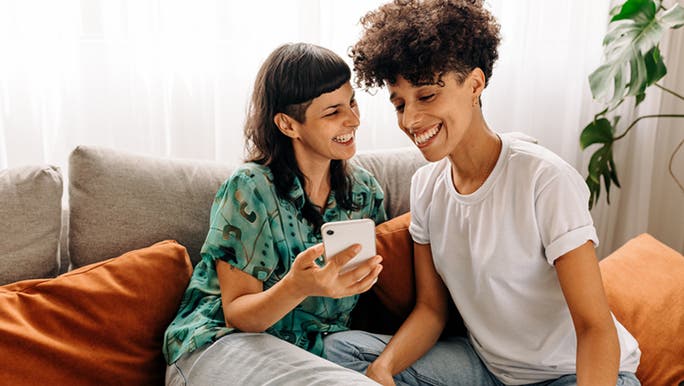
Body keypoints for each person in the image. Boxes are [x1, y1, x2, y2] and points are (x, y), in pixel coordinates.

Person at [324, 1, 642, 385]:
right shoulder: (426, 187)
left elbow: (594, 327)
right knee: (338, 352)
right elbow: (431, 310)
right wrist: (383, 369)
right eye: (400, 104)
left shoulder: (545, 180)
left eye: (426, 96)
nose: (410, 120)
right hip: (488, 369)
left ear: (474, 84)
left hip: (570, 372)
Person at [162, 42, 387, 385]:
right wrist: (297, 287)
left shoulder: (363, 192)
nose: (353, 119)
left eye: (352, 102)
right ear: (287, 124)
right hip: (219, 344)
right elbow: (238, 314)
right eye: (332, 112)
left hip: (311, 352)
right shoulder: (250, 188)